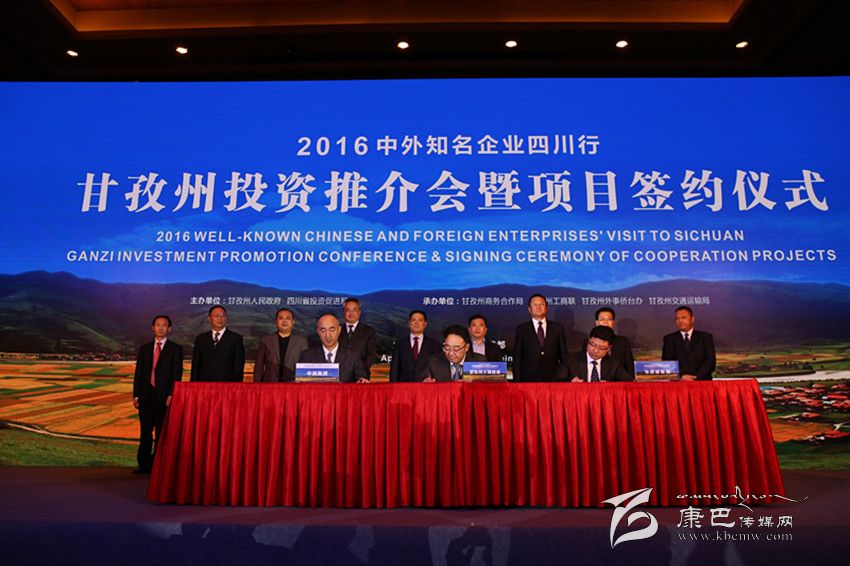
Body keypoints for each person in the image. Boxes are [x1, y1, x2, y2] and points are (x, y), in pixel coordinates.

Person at [132, 315, 183, 473]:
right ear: (153, 328)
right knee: (145, 432)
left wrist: (172, 394)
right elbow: (139, 373)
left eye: (164, 325)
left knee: (162, 433)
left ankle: (159, 466)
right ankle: (143, 465)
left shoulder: (175, 349)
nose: (160, 328)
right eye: (158, 325)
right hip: (145, 397)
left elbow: (177, 374)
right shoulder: (145, 349)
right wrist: (136, 395)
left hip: (164, 398)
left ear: (169, 329)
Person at [511, 294, 568, 381]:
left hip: (553, 378)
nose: (538, 307)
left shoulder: (557, 328)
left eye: (541, 304)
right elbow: (517, 357)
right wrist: (517, 381)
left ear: (546, 307)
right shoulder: (522, 329)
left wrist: (565, 377)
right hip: (528, 379)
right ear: (529, 309)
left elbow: (563, 355)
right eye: (535, 305)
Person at [299, 313, 369, 383]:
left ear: (339, 330)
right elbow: (297, 383)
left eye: (332, 330)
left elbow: (362, 377)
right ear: (318, 332)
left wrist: (362, 381)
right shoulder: (307, 356)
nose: (328, 335)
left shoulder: (353, 356)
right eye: (323, 330)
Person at [190, 305, 245, 382]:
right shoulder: (201, 339)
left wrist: (236, 385)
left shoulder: (236, 338)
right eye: (216, 316)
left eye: (223, 315)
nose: (220, 318)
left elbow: (238, 366)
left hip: (226, 384)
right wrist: (193, 384)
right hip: (204, 384)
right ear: (209, 319)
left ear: (226, 318)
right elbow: (195, 365)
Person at [253, 307, 309, 382]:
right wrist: (256, 385)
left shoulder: (301, 341)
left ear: (293, 322)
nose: (284, 321)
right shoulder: (266, 340)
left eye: (288, 318)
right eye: (281, 318)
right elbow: (259, 366)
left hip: (293, 385)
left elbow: (305, 367)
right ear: (276, 322)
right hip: (270, 384)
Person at [559, 325, 632, 382]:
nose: (596, 350)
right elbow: (556, 383)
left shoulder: (613, 365)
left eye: (602, 348)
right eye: (593, 345)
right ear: (588, 340)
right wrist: (570, 383)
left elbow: (629, 383)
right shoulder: (571, 360)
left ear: (609, 348)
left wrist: (609, 386)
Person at [662, 306, 716, 380]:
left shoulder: (705, 337)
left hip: (702, 381)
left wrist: (696, 377)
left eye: (683, 318)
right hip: (679, 382)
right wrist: (681, 376)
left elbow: (710, 361)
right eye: (677, 319)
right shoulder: (669, 339)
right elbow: (667, 363)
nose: (680, 321)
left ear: (692, 319)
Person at [418, 325, 487, 382]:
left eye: (456, 349)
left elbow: (488, 385)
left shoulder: (479, 362)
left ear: (466, 347)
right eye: (447, 348)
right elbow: (423, 379)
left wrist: (475, 382)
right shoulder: (434, 361)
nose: (451, 353)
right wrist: (426, 381)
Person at [581, 307, 636, 379]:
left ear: (613, 322)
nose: (605, 322)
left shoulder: (623, 341)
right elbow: (583, 363)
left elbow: (629, 364)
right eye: (602, 319)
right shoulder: (588, 342)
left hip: (618, 380)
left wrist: (631, 381)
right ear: (597, 322)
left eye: (609, 319)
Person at [390, 310, 440, 382]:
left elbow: (438, 369)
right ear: (409, 323)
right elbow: (394, 369)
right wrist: (392, 386)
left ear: (425, 324)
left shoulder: (434, 344)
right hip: (404, 386)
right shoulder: (400, 344)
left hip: (426, 386)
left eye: (420, 320)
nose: (416, 323)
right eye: (413, 320)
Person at [337, 297, 377, 375]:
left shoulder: (369, 331)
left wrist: (359, 371)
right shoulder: (336, 330)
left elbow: (371, 355)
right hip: (339, 375)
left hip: (361, 376)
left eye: (354, 310)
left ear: (359, 312)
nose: (351, 313)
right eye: (348, 310)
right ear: (343, 312)